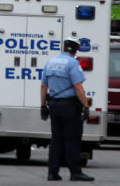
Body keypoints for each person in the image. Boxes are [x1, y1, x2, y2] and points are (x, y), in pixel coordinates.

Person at [40, 38, 94, 181]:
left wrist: (43, 105)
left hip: (54, 105)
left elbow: (44, 86)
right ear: (75, 50)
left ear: (64, 48)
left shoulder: (50, 62)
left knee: (56, 140)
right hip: (69, 106)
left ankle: (52, 172)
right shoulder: (72, 63)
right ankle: (75, 172)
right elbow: (78, 87)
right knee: (72, 139)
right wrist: (86, 106)